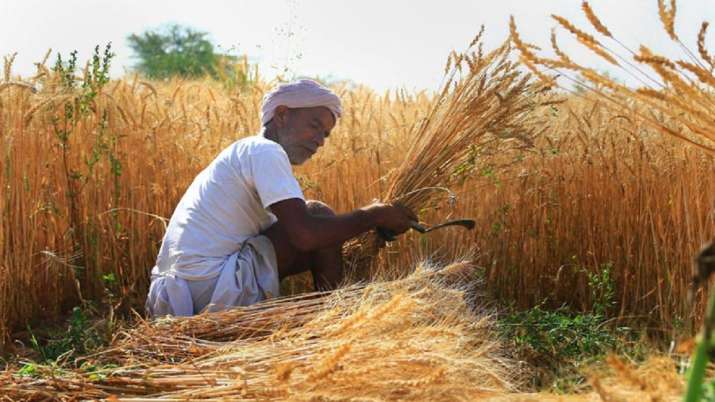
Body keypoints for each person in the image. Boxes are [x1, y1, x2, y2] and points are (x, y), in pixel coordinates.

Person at [145, 79, 416, 317]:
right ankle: (332, 324)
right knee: (317, 214)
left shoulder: (244, 153)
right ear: (283, 114)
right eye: (315, 125)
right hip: (210, 289)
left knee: (312, 220)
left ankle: (329, 319)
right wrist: (375, 215)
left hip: (171, 299)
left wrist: (363, 232)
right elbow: (306, 236)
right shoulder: (265, 151)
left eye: (325, 134)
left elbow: (297, 235)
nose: (320, 140)